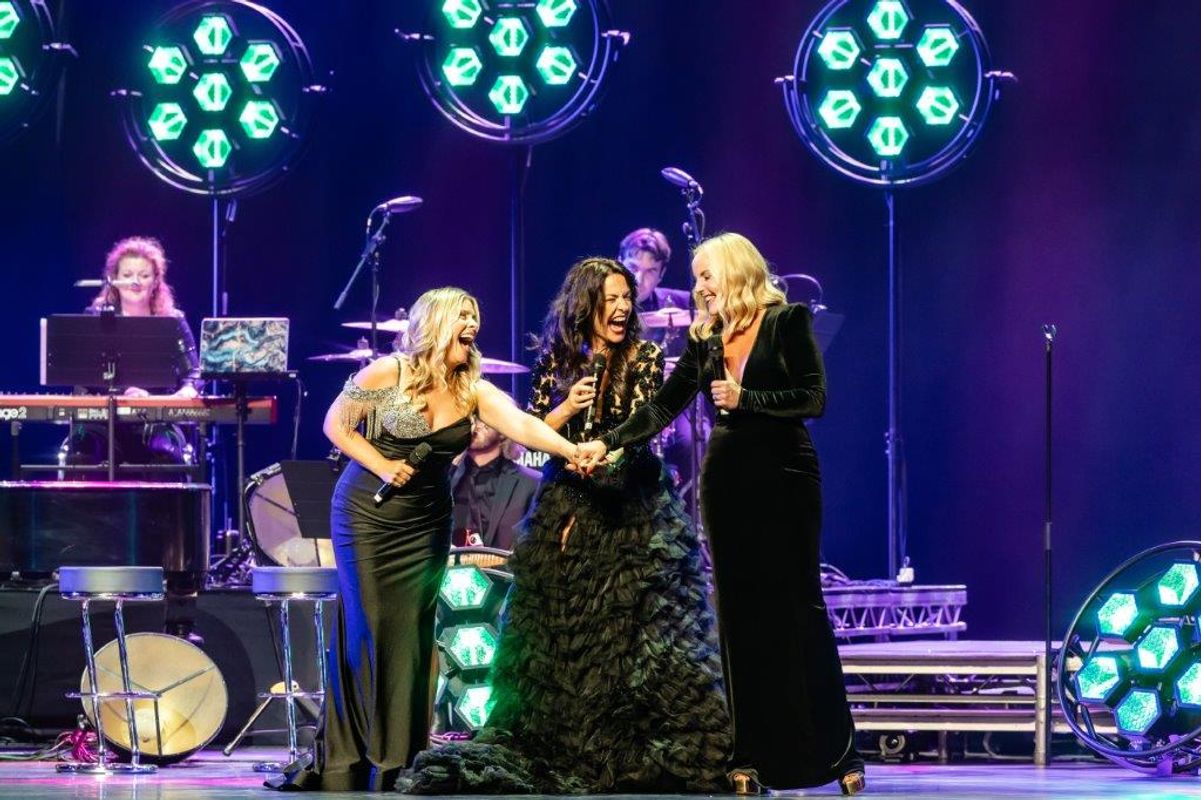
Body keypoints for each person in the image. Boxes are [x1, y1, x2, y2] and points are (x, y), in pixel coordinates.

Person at [402, 258, 730, 794]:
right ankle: (567, 735)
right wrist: (562, 411)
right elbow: (527, 430)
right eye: (612, 299)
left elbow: (645, 423)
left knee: (635, 623)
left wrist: (608, 452)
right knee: (562, 621)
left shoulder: (645, 357)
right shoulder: (556, 359)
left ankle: (630, 737)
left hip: (630, 500)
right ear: (586, 306)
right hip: (567, 498)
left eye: (628, 298)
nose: (623, 308)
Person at [578, 233, 866, 796]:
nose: (700, 287)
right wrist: (610, 443)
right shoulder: (706, 338)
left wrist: (747, 399)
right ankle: (750, 756)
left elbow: (814, 398)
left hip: (785, 474)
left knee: (799, 606)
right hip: (727, 478)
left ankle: (838, 754)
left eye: (706, 275)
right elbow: (665, 405)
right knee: (737, 614)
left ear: (735, 271)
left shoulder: (788, 321)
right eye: (697, 277)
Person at [270, 287, 581, 792]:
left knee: (413, 637)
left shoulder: (470, 388)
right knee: (372, 628)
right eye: (463, 314)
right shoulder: (387, 372)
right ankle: (358, 755)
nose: (473, 323)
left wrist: (573, 449)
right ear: (435, 321)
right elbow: (336, 425)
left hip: (425, 523)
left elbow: (523, 425)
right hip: (368, 517)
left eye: (476, 315)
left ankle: (401, 757)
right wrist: (382, 463)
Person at [450, 410, 539, 550]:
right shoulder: (446, 479)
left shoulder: (532, 483)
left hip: (504, 570)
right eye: (471, 418)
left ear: (503, 429)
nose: (475, 425)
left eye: (481, 418)